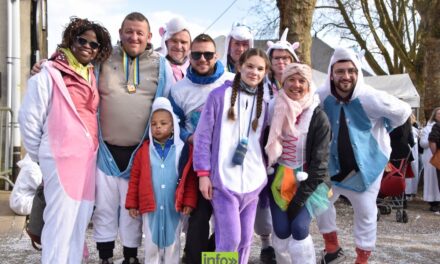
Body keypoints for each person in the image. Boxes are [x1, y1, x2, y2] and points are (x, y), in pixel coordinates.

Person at [18, 17, 112, 264]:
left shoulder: (91, 73)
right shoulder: (49, 74)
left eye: (95, 45)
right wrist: (47, 156)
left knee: (77, 229)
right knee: (59, 228)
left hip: (86, 165)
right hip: (61, 163)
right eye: (83, 40)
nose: (88, 47)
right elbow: (29, 120)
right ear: (71, 40)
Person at [315, 47, 412, 264]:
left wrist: (384, 129)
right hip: (333, 165)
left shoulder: (371, 97)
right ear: (331, 73)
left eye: (351, 70)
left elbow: (404, 111)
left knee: (366, 211)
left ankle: (362, 258)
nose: (346, 76)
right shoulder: (322, 95)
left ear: (358, 72)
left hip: (366, 166)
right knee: (321, 202)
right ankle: (332, 247)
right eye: (340, 71)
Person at [92, 12, 168, 264]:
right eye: (129, 31)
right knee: (103, 207)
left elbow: (169, 102)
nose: (134, 37)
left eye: (139, 33)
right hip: (105, 150)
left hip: (139, 152)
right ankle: (104, 256)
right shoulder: (102, 58)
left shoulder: (160, 64)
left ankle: (131, 256)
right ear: (120, 32)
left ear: (148, 36)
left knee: (132, 209)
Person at [193, 48, 270, 264]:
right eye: (250, 66)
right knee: (229, 240)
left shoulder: (264, 104)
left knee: (246, 240)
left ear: (265, 73)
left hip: (253, 183)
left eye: (260, 68)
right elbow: (203, 137)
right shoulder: (218, 96)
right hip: (224, 182)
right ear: (239, 67)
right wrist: (203, 174)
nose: (254, 72)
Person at [169, 33, 234, 264]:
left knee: (228, 220)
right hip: (196, 162)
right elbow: (173, 124)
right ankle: (194, 259)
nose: (202, 59)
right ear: (190, 55)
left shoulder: (232, 82)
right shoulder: (179, 90)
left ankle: (217, 258)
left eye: (208, 54)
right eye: (197, 54)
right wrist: (188, 137)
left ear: (216, 55)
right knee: (198, 216)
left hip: (228, 163)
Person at [264, 63, 331, 264]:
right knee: (282, 231)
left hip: (306, 180)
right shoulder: (273, 108)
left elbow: (320, 163)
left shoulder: (318, 116)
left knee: (300, 229)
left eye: (302, 80)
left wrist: (299, 199)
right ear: (283, 82)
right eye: (291, 79)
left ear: (309, 85)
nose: (296, 85)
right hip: (278, 179)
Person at [125, 97, 198, 264]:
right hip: (151, 207)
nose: (158, 127)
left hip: (174, 207)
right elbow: (135, 178)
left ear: (173, 125)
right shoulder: (144, 151)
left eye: (163, 123)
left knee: (173, 242)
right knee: (151, 242)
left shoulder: (182, 150)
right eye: (154, 124)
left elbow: (190, 180)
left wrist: (188, 202)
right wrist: (133, 204)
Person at [159, 17, 191, 95]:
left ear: (190, 45)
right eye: (174, 41)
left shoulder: (196, 68)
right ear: (166, 43)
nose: (178, 46)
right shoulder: (157, 67)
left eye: (183, 42)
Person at [264, 28, 300, 100]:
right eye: (276, 58)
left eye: (284, 58)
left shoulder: (303, 82)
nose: (280, 61)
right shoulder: (262, 83)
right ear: (270, 60)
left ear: (292, 60)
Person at [420, 107, 440, 213]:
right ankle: (433, 201)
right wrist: (433, 142)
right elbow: (422, 143)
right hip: (430, 155)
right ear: (434, 115)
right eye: (438, 114)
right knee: (432, 179)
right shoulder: (428, 128)